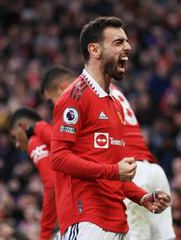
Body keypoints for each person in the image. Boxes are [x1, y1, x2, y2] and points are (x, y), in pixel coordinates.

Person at [49, 16, 171, 240]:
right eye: (118, 42)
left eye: (126, 41)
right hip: (86, 220)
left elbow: (114, 173)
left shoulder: (114, 104)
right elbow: (58, 158)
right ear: (95, 50)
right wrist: (114, 171)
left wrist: (143, 198)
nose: (128, 47)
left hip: (117, 223)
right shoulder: (75, 97)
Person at [8, 108, 57, 240]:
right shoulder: (51, 134)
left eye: (14, 137)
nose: (17, 144)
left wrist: (45, 233)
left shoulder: (34, 140)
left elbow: (52, 184)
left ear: (22, 126)